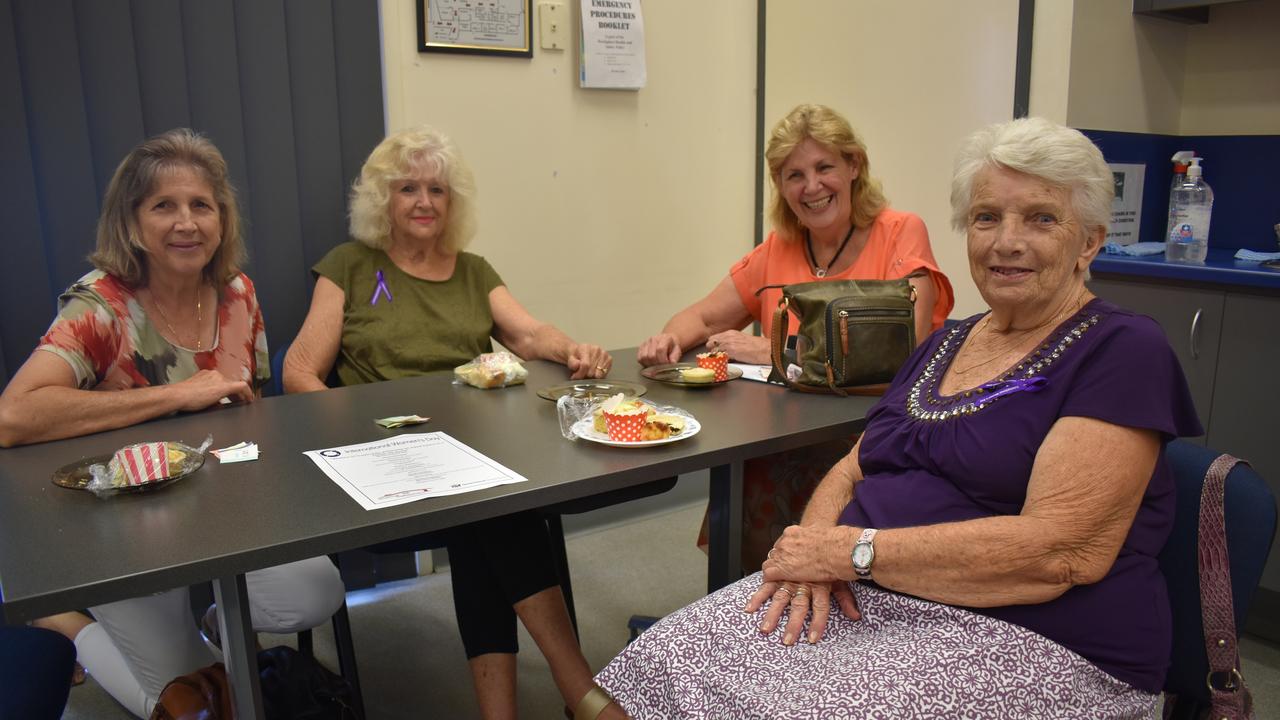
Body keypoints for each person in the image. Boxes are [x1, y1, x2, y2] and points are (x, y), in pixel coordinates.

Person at [596, 117, 1201, 718]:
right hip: (871, 593)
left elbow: (1058, 552)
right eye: (987, 217)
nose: (1005, 241)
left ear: (1089, 240)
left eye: (1041, 218)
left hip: (1035, 634)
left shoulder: (1121, 348)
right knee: (662, 659)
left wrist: (850, 553)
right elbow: (852, 469)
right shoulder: (949, 342)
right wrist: (812, 556)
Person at [0, 129, 346, 718]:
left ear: (221, 219)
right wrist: (177, 395)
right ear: (133, 224)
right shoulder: (100, 305)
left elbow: (252, 413)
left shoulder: (239, 294)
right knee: (195, 704)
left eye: (201, 205)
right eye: (164, 206)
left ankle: (215, 614)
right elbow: (12, 417)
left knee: (315, 592)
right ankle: (68, 621)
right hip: (123, 528)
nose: (186, 222)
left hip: (226, 512)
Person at [283, 126, 623, 720]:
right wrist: (352, 442)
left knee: (483, 513)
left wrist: (572, 349)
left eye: (437, 190)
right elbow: (299, 372)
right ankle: (581, 690)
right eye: (407, 188)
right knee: (496, 513)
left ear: (452, 202)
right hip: (382, 460)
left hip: (468, 458)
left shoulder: (472, 270)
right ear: (382, 200)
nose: (423, 202)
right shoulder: (350, 266)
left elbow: (527, 334)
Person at [637, 104, 955, 568]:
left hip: (876, 430)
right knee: (751, 470)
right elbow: (703, 318)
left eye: (825, 167)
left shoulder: (901, 232)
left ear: (854, 166)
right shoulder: (777, 249)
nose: (811, 187)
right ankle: (751, 605)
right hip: (786, 435)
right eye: (793, 175)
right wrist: (669, 338)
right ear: (780, 186)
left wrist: (772, 352)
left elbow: (897, 351)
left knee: (783, 475)